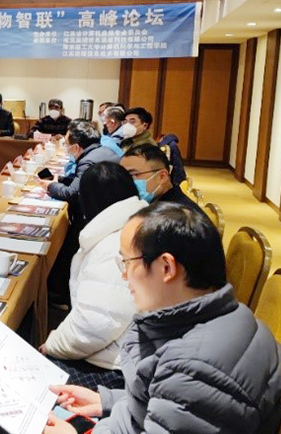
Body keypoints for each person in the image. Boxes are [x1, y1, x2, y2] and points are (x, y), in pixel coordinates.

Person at [45, 203, 281, 434]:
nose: (124, 275)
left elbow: (183, 396)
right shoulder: (230, 315)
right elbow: (170, 407)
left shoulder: (193, 369)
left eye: (127, 262)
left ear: (166, 268)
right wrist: (108, 401)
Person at [40, 163, 146, 391]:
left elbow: (95, 324)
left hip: (118, 368)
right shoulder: (135, 224)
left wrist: (52, 344)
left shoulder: (115, 244)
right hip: (124, 352)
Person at [45, 120, 121, 307]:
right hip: (109, 210)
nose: (66, 148)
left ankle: (57, 295)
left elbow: (72, 194)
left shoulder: (87, 160)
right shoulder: (103, 151)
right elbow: (82, 182)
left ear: (76, 147)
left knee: (66, 246)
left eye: (67, 144)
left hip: (95, 217)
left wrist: (50, 186)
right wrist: (61, 179)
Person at [120, 144, 202, 213]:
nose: (126, 181)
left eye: (133, 175)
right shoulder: (152, 205)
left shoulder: (178, 215)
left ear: (162, 176)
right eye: (123, 175)